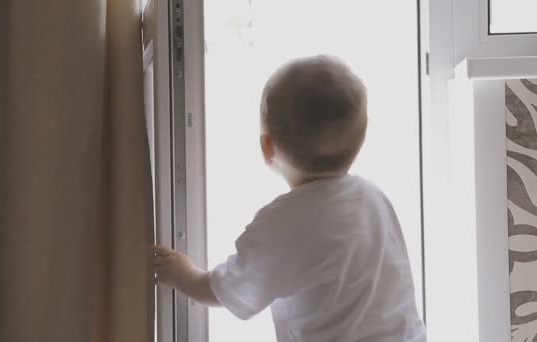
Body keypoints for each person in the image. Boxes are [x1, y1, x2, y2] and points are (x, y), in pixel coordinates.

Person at [152, 55, 427, 342]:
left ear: (268, 147)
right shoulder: (375, 199)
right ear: (362, 138)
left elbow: (231, 288)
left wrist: (182, 274)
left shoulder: (284, 222)